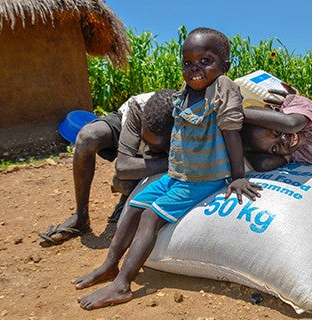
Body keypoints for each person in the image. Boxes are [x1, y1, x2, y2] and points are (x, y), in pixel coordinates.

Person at [75, 27, 262, 310]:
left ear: (225, 66)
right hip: (176, 176)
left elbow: (232, 131)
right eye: (188, 63)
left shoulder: (223, 89)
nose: (194, 68)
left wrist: (238, 178)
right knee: (134, 207)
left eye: (205, 61)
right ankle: (110, 265)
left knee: (150, 217)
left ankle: (123, 284)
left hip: (203, 178)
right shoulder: (183, 95)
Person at [39, 90, 176, 244]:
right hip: (133, 131)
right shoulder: (139, 109)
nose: (148, 146)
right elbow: (123, 168)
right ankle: (80, 217)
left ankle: (127, 197)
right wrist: (172, 161)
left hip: (164, 151)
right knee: (87, 138)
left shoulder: (189, 121)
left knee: (123, 184)